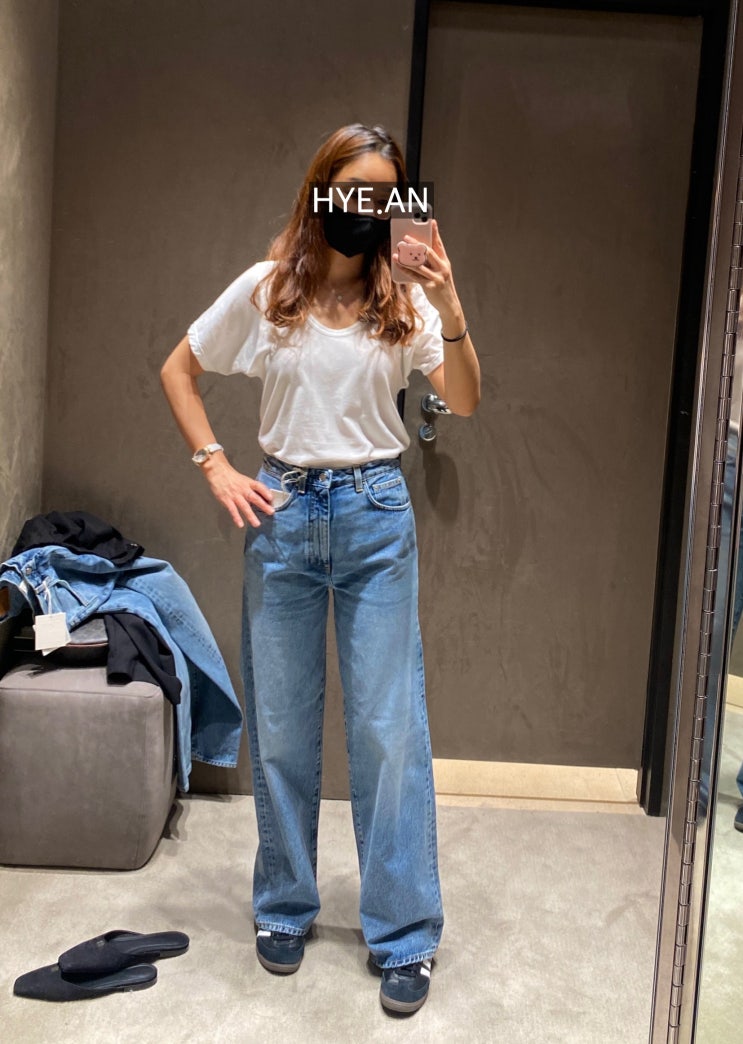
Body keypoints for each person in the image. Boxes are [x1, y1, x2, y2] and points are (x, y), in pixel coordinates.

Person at [160, 123, 481, 1015]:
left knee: (387, 730)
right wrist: (215, 465)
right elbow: (179, 370)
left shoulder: (405, 300)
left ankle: (403, 932)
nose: (365, 209)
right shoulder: (268, 290)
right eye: (352, 192)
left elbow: (462, 399)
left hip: (376, 518)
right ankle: (285, 906)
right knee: (281, 728)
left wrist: (449, 303)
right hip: (285, 518)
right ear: (320, 192)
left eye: (382, 195)